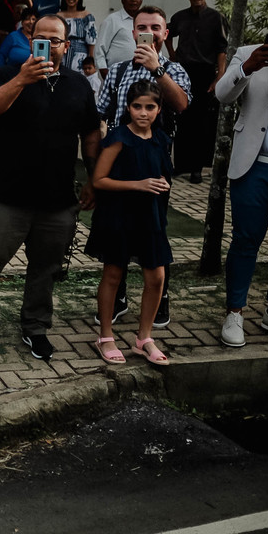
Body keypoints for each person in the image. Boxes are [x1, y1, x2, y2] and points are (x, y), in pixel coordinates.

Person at [0, 14, 101, 361]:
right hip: (7, 195)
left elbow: (91, 133)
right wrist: (22, 79)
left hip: (57, 199)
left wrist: (94, 178)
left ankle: (35, 327)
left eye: (55, 40)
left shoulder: (78, 84)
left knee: (45, 269)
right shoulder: (7, 73)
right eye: (40, 38)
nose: (47, 45)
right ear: (30, 40)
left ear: (66, 46)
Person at [96, 6, 192, 329]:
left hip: (154, 161)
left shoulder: (174, 70)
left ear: (165, 34)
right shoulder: (119, 70)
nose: (148, 33)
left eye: (155, 27)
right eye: (142, 28)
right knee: (118, 231)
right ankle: (118, 297)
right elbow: (102, 114)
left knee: (155, 228)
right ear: (133, 32)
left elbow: (181, 104)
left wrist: (157, 68)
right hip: (119, 162)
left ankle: (158, 299)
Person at [215, 0, 268, 347]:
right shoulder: (250, 54)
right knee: (246, 241)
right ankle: (235, 312)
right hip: (254, 167)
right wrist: (247, 67)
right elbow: (222, 95)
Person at [88, 80, 174, 365]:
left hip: (151, 217)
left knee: (157, 277)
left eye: (150, 107)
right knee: (113, 274)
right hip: (119, 216)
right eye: (137, 106)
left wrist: (162, 183)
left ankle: (144, 338)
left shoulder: (161, 139)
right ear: (128, 107)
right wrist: (138, 184)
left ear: (159, 108)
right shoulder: (119, 138)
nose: (143, 112)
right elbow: (99, 180)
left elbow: (161, 174)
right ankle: (105, 336)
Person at [167, 0, 228, 183]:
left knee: (201, 122)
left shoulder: (216, 18)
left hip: (205, 72)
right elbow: (167, 34)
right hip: (183, 70)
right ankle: (180, 165)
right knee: (182, 118)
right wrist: (172, 55)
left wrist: (220, 76)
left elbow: (222, 49)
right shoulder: (180, 17)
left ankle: (196, 169)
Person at [96, 0, 144, 78]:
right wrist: (103, 70)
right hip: (116, 74)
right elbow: (100, 47)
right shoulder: (112, 20)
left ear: (141, 1)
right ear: (122, 1)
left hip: (141, 74)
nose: (133, 0)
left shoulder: (144, 21)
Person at [59, 0, 97, 72]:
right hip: (63, 52)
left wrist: (91, 59)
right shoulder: (58, 15)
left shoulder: (86, 16)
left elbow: (92, 39)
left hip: (80, 55)